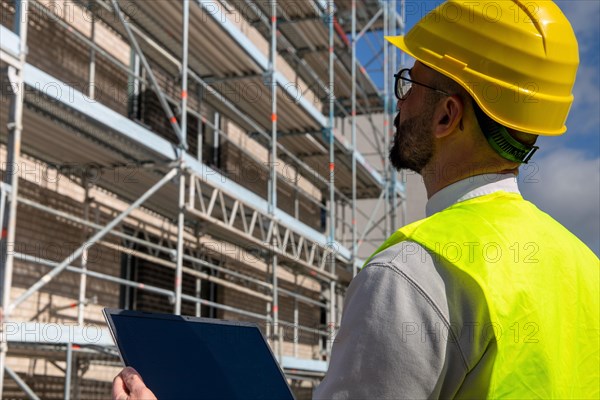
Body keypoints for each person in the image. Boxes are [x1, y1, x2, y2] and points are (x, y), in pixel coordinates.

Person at [112, 1, 599, 398]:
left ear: (448, 115)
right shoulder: (584, 267)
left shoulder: (414, 272)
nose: (399, 100)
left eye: (410, 83)